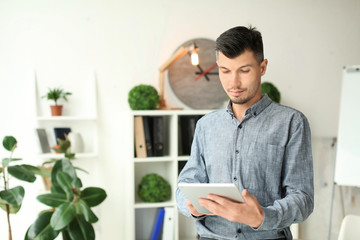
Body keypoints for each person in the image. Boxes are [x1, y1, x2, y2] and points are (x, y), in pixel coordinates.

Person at [176, 26, 314, 240]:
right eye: (225, 71)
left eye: (244, 70)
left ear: (263, 67)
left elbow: (303, 198)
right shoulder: (205, 125)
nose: (234, 83)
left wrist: (262, 217)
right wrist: (193, 207)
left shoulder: (292, 123)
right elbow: (184, 188)